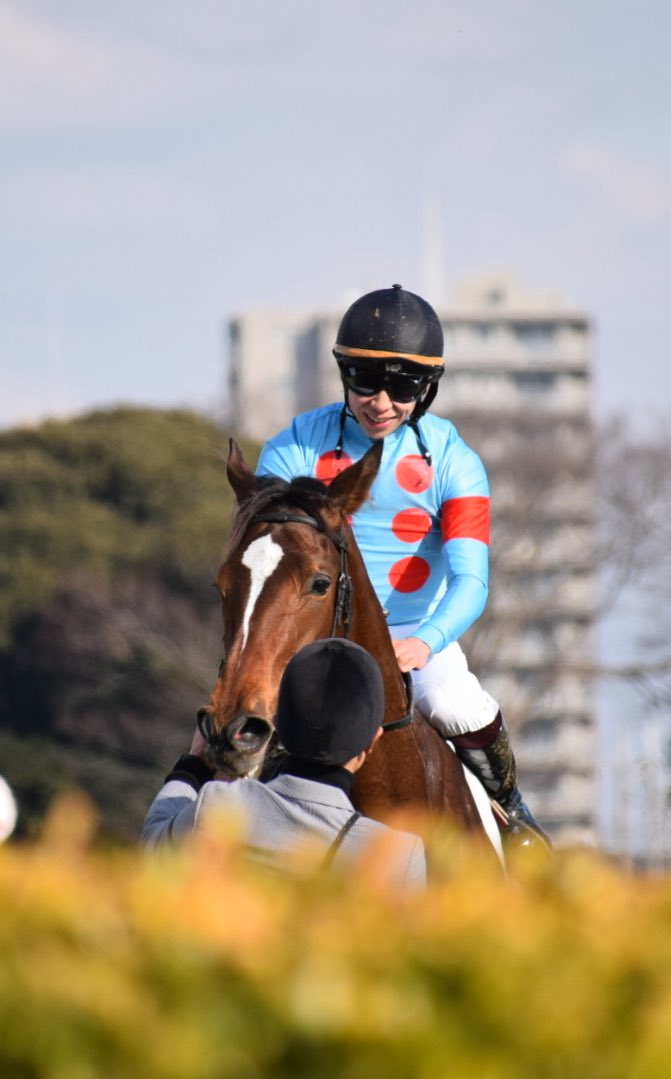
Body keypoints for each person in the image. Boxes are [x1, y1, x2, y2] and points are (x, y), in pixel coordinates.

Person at [257, 284, 549, 847]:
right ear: (344, 373)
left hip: (415, 635)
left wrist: (427, 642)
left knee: (452, 704)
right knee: (247, 710)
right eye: (366, 380)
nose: (381, 401)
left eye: (403, 385)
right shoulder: (293, 447)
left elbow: (472, 582)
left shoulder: (456, 464)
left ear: (428, 387)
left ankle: (514, 816)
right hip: (311, 636)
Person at [142, 638, 427, 888]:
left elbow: (153, 844)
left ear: (276, 723)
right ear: (372, 742)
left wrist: (193, 764)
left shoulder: (219, 806)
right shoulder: (399, 856)